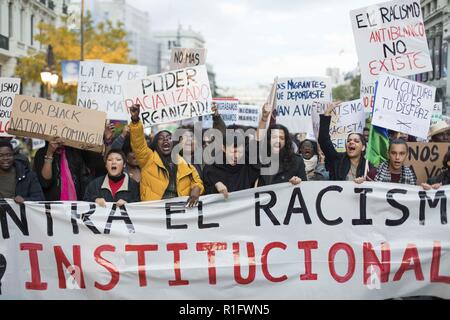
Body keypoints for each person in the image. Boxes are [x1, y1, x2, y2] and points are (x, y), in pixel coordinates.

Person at [129, 105, 204, 206]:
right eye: (161, 138)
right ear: (155, 143)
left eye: (169, 138)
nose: (165, 140)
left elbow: (197, 182)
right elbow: (138, 144)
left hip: (179, 213)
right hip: (154, 213)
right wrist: (135, 121)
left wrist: (197, 189)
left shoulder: (184, 163)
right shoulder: (148, 159)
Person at [256, 103, 306, 186]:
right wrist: (264, 119)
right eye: (274, 137)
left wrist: (298, 182)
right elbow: (256, 142)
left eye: (282, 138)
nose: (278, 141)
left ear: (286, 141)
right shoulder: (260, 158)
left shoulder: (296, 161)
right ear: (268, 140)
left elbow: (305, 187)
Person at [318, 102, 367, 181]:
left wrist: (366, 182)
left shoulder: (367, 166)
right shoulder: (337, 160)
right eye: (348, 140)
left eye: (356, 141)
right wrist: (327, 114)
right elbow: (323, 140)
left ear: (363, 147)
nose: (351, 142)